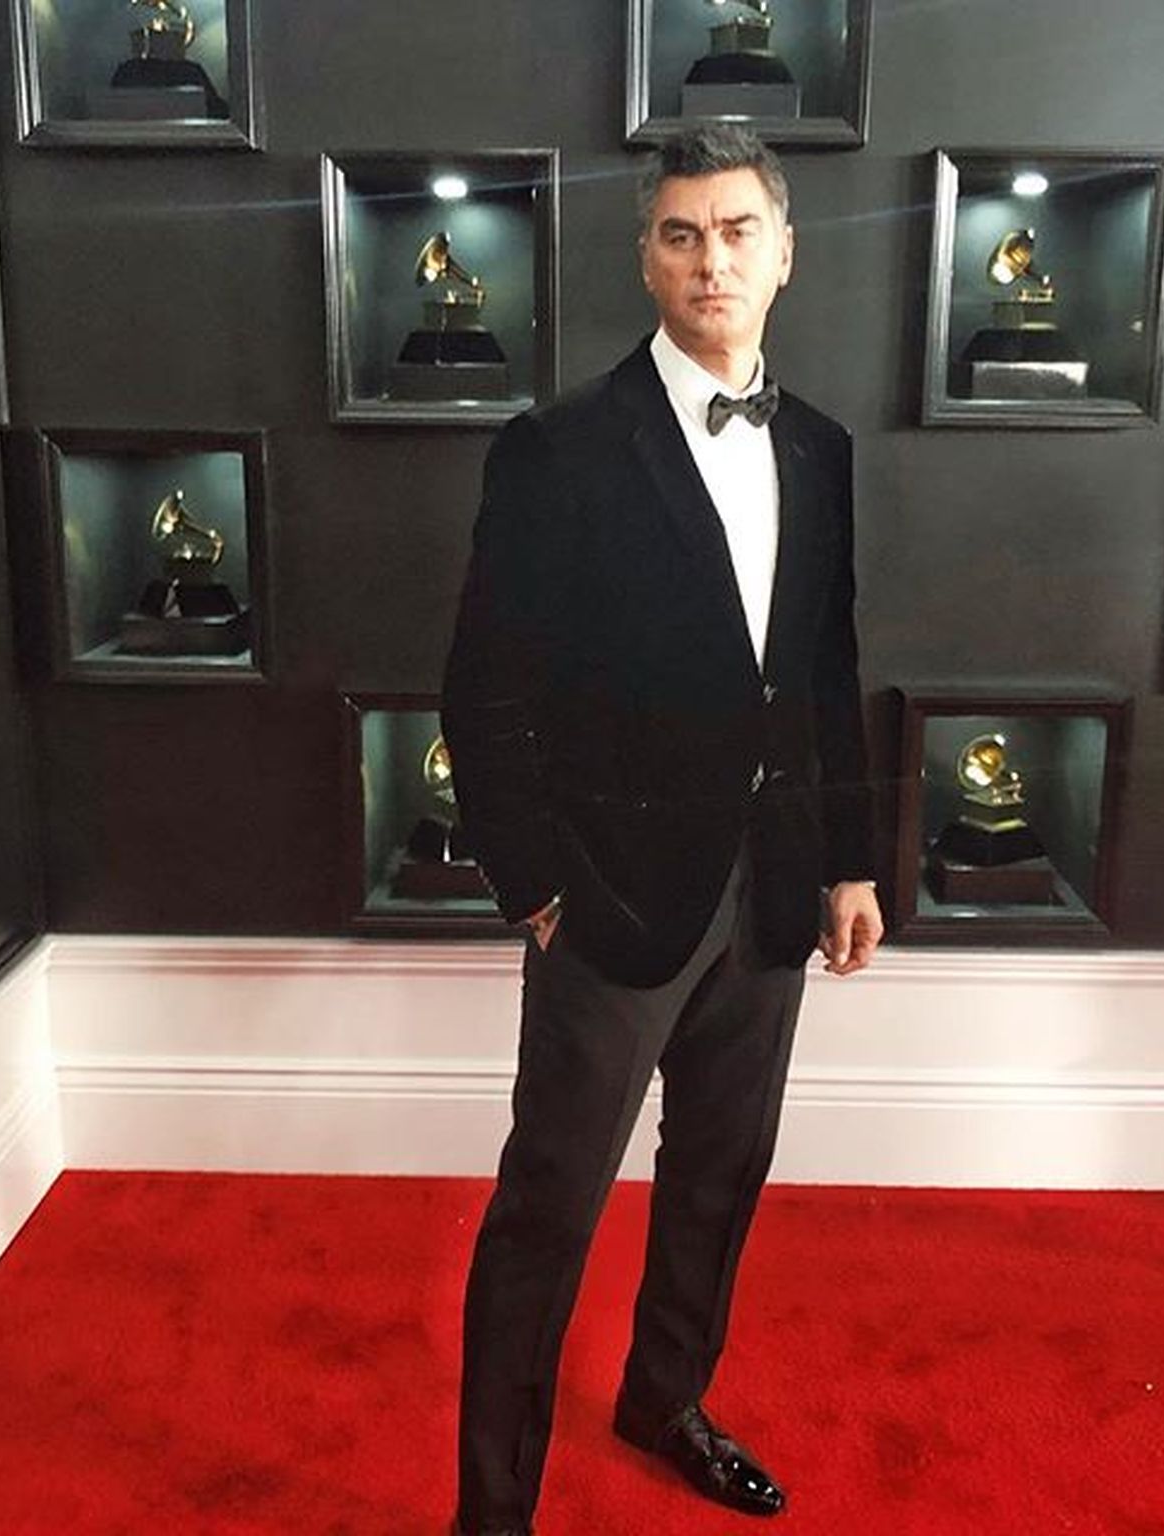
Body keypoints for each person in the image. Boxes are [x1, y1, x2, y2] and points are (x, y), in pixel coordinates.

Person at [441, 123, 882, 1536]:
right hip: (611, 898)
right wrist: (532, 885)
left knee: (718, 1177)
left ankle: (665, 1397)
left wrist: (848, 859)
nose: (712, 261)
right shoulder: (558, 449)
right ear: (646, 257)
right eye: (683, 234)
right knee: (549, 1208)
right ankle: (493, 1511)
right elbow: (484, 685)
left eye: (738, 231)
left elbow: (822, 667)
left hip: (774, 889)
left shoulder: (819, 447)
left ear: (785, 252)